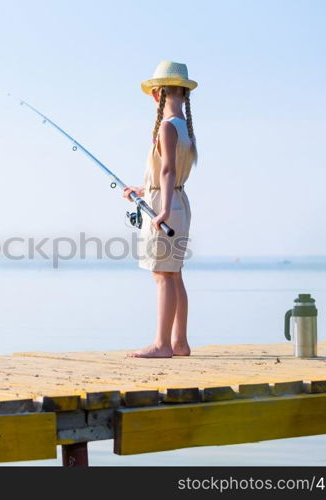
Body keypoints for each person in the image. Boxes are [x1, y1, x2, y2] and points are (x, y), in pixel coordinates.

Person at [123, 60, 198, 358]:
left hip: (166, 205)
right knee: (174, 272)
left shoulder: (167, 127)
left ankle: (162, 344)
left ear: (158, 94)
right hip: (177, 200)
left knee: (162, 274)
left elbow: (167, 170)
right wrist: (144, 190)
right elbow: (169, 175)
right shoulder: (185, 128)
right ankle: (180, 342)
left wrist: (162, 209)